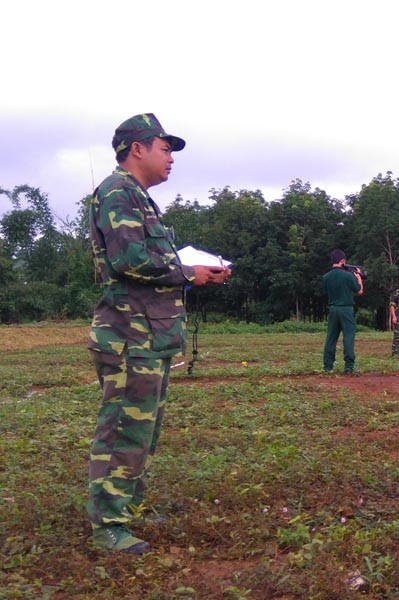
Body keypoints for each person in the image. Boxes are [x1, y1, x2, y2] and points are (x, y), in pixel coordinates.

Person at [87, 113, 231, 554]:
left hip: (150, 335)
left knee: (144, 430)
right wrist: (190, 272)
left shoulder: (138, 197)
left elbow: (147, 262)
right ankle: (108, 525)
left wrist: (192, 274)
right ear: (138, 149)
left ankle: (126, 509)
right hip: (130, 336)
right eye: (165, 149)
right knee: (125, 429)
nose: (171, 159)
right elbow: (130, 261)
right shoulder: (118, 193)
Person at [322, 249, 364, 374]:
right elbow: (359, 290)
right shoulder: (348, 276)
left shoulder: (326, 277)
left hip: (333, 309)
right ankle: (349, 366)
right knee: (348, 337)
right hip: (346, 309)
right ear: (342, 261)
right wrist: (359, 278)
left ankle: (328, 366)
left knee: (331, 337)